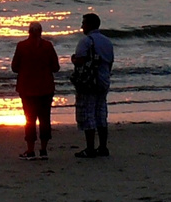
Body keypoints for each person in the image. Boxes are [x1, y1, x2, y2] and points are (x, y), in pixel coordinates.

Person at [10, 21, 59, 160]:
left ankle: (30, 150)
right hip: (45, 87)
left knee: (29, 119)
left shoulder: (21, 46)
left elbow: (14, 67)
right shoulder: (48, 46)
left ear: (28, 32)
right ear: (41, 32)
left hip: (27, 88)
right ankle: (43, 150)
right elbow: (56, 67)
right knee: (45, 119)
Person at [71, 12, 114, 158]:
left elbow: (80, 61)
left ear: (89, 25)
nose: (81, 26)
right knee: (101, 113)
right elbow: (110, 62)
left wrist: (74, 60)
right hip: (103, 80)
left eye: (83, 23)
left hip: (89, 82)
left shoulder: (86, 41)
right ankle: (102, 147)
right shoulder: (107, 41)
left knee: (87, 114)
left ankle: (90, 148)